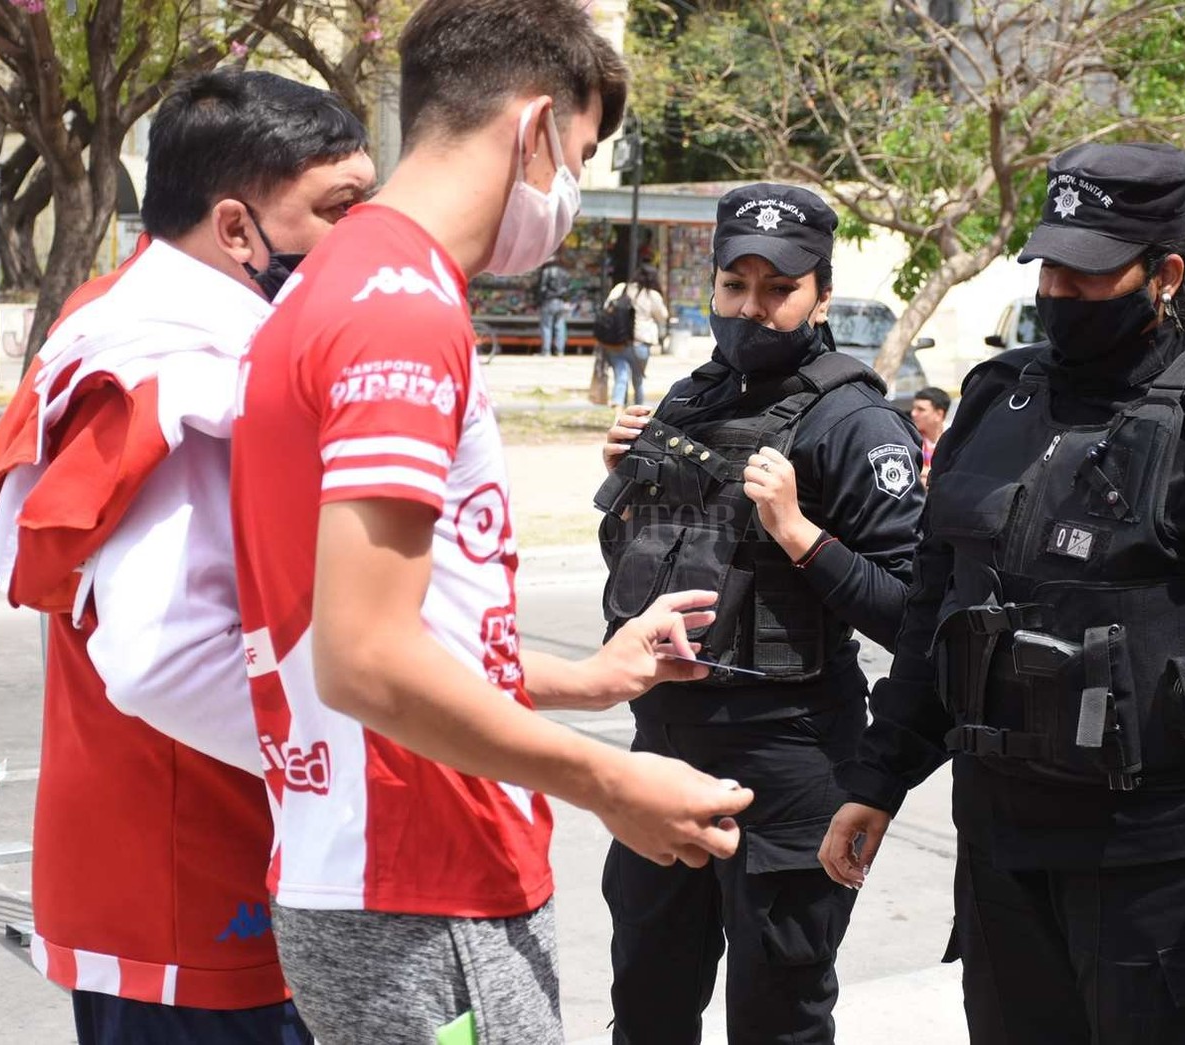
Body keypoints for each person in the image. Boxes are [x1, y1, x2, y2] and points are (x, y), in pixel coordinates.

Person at [227, 3, 753, 1042]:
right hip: (421, 870)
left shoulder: (340, 284)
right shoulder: (401, 310)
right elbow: (365, 661)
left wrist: (585, 681)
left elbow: (372, 624)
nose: (570, 190)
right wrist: (612, 780)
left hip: (384, 859)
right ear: (535, 128)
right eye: (582, 154)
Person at [820, 142, 1185, 1044]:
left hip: (1159, 864)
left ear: (1164, 273)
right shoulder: (998, 398)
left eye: (1091, 273)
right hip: (999, 848)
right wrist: (878, 778)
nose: (1061, 292)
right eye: (1050, 268)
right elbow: (934, 611)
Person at [0, 70, 375, 1044]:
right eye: (340, 210)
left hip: (162, 859)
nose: (364, 239)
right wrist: (370, 760)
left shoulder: (113, 313)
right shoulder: (185, 370)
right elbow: (161, 659)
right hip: (199, 873)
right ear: (236, 228)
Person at [596, 182, 926, 1044]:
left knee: (776, 1018)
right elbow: (633, 577)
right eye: (733, 285)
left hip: (788, 765)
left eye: (777, 289)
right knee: (645, 1007)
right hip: (664, 751)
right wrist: (626, 496)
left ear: (818, 291)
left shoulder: (856, 422)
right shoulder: (687, 400)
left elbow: (912, 615)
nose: (752, 308)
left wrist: (799, 533)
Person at [605, 261, 669, 406]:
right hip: (640, 343)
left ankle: (618, 408)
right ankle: (638, 412)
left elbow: (607, 307)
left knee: (620, 376)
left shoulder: (621, 288)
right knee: (638, 380)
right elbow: (663, 316)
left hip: (617, 341)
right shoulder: (652, 295)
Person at [909, 385, 950, 485]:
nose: (913, 413)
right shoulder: (910, 437)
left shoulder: (955, 439)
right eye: (914, 408)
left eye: (921, 409)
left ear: (939, 414)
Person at [538, 252, 573, 356]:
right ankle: (560, 350)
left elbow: (542, 288)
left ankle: (546, 350)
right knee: (560, 325)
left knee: (546, 326)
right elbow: (569, 288)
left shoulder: (546, 272)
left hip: (549, 301)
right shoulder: (565, 272)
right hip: (561, 301)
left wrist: (540, 299)